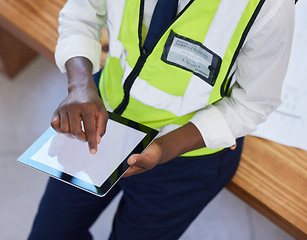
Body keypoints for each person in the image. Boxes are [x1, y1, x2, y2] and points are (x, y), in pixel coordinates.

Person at [28, 0, 295, 239]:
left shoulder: (269, 6)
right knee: (49, 233)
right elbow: (80, 15)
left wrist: (165, 148)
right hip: (101, 123)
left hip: (186, 162)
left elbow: (253, 102)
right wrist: (80, 85)